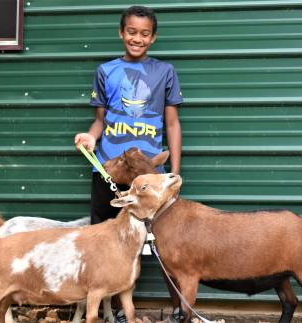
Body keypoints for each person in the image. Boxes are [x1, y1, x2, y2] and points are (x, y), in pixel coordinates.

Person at [74, 5, 183, 322]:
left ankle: (178, 307)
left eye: (144, 33)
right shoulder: (106, 71)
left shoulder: (165, 72)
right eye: (131, 32)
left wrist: (172, 172)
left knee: (163, 241)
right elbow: (99, 121)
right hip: (109, 170)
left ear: (153, 37)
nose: (137, 38)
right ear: (122, 33)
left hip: (149, 175)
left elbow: (173, 124)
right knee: (107, 242)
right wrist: (90, 137)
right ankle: (116, 311)